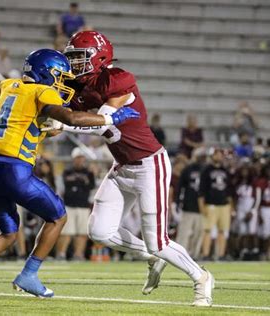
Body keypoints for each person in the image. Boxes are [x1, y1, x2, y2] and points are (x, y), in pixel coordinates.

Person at [0, 48, 139, 308]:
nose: (60, 83)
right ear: (46, 73)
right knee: (58, 216)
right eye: (58, 76)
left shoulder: (9, 86)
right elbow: (70, 116)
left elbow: (21, 123)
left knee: (9, 233)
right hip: (15, 171)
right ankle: (29, 275)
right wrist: (110, 116)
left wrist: (44, 129)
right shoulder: (41, 91)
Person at [60, 31, 214, 306]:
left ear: (101, 56)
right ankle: (151, 255)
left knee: (159, 241)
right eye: (71, 58)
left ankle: (201, 277)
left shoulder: (117, 79)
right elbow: (63, 115)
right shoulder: (77, 88)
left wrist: (62, 124)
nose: (74, 64)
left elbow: (103, 121)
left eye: (79, 58)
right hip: (122, 167)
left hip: (149, 165)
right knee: (100, 232)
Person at [55, 147, 95, 261]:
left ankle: (78, 254)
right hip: (69, 204)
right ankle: (61, 254)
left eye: (82, 158)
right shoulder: (67, 171)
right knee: (66, 232)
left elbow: (91, 186)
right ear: (74, 159)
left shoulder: (89, 172)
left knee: (82, 233)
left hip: (83, 205)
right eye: (78, 158)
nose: (80, 160)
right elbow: (66, 185)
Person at [198, 148, 233, 261]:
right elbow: (201, 189)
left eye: (220, 154)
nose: (219, 157)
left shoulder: (225, 170)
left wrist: (231, 205)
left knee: (222, 230)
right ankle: (205, 254)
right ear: (212, 156)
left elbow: (229, 190)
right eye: (216, 154)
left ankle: (221, 254)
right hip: (211, 204)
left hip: (224, 204)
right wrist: (201, 205)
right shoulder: (206, 170)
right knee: (207, 230)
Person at [175, 147, 206, 259]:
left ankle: (194, 255)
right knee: (184, 232)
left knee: (198, 233)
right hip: (188, 206)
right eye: (201, 156)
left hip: (202, 208)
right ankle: (179, 254)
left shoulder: (207, 170)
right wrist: (178, 202)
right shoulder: (187, 169)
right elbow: (180, 187)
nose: (202, 159)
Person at [234, 163, 257, 259]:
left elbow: (257, 197)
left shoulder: (254, 183)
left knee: (252, 231)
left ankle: (253, 251)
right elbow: (234, 197)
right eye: (243, 170)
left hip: (250, 207)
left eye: (246, 170)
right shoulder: (237, 183)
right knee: (242, 232)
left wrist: (252, 210)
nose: (245, 172)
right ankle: (241, 251)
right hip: (240, 208)